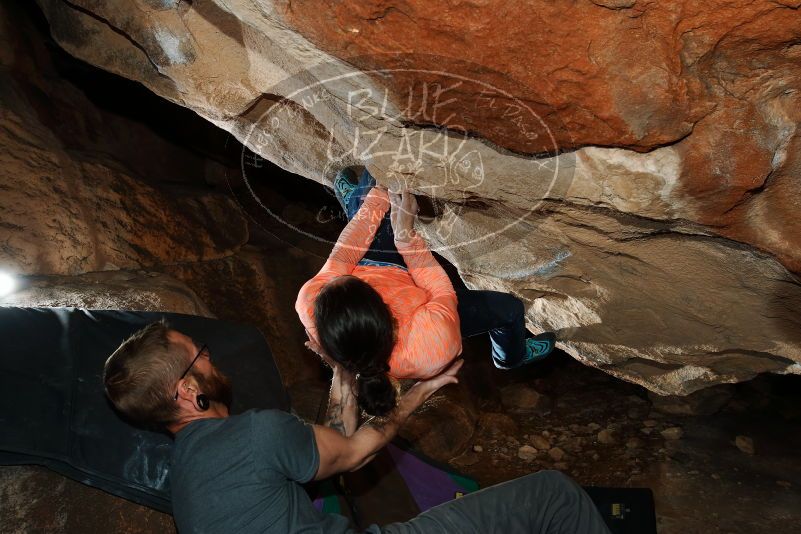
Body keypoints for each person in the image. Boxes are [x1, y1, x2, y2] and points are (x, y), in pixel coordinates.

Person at [103, 322, 611, 534]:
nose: (211, 356)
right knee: (554, 494)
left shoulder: (185, 479)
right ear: (188, 390)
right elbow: (358, 452)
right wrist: (421, 391)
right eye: (200, 355)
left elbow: (334, 446)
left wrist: (340, 371)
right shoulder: (255, 433)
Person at [296, 168, 557, 416]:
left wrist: (376, 200)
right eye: (355, 282)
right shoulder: (429, 348)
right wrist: (405, 237)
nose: (338, 277)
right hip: (428, 303)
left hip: (376, 268)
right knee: (510, 310)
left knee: (377, 179)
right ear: (387, 309)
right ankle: (511, 357)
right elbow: (441, 292)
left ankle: (355, 203)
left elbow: (344, 256)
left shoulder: (313, 303)